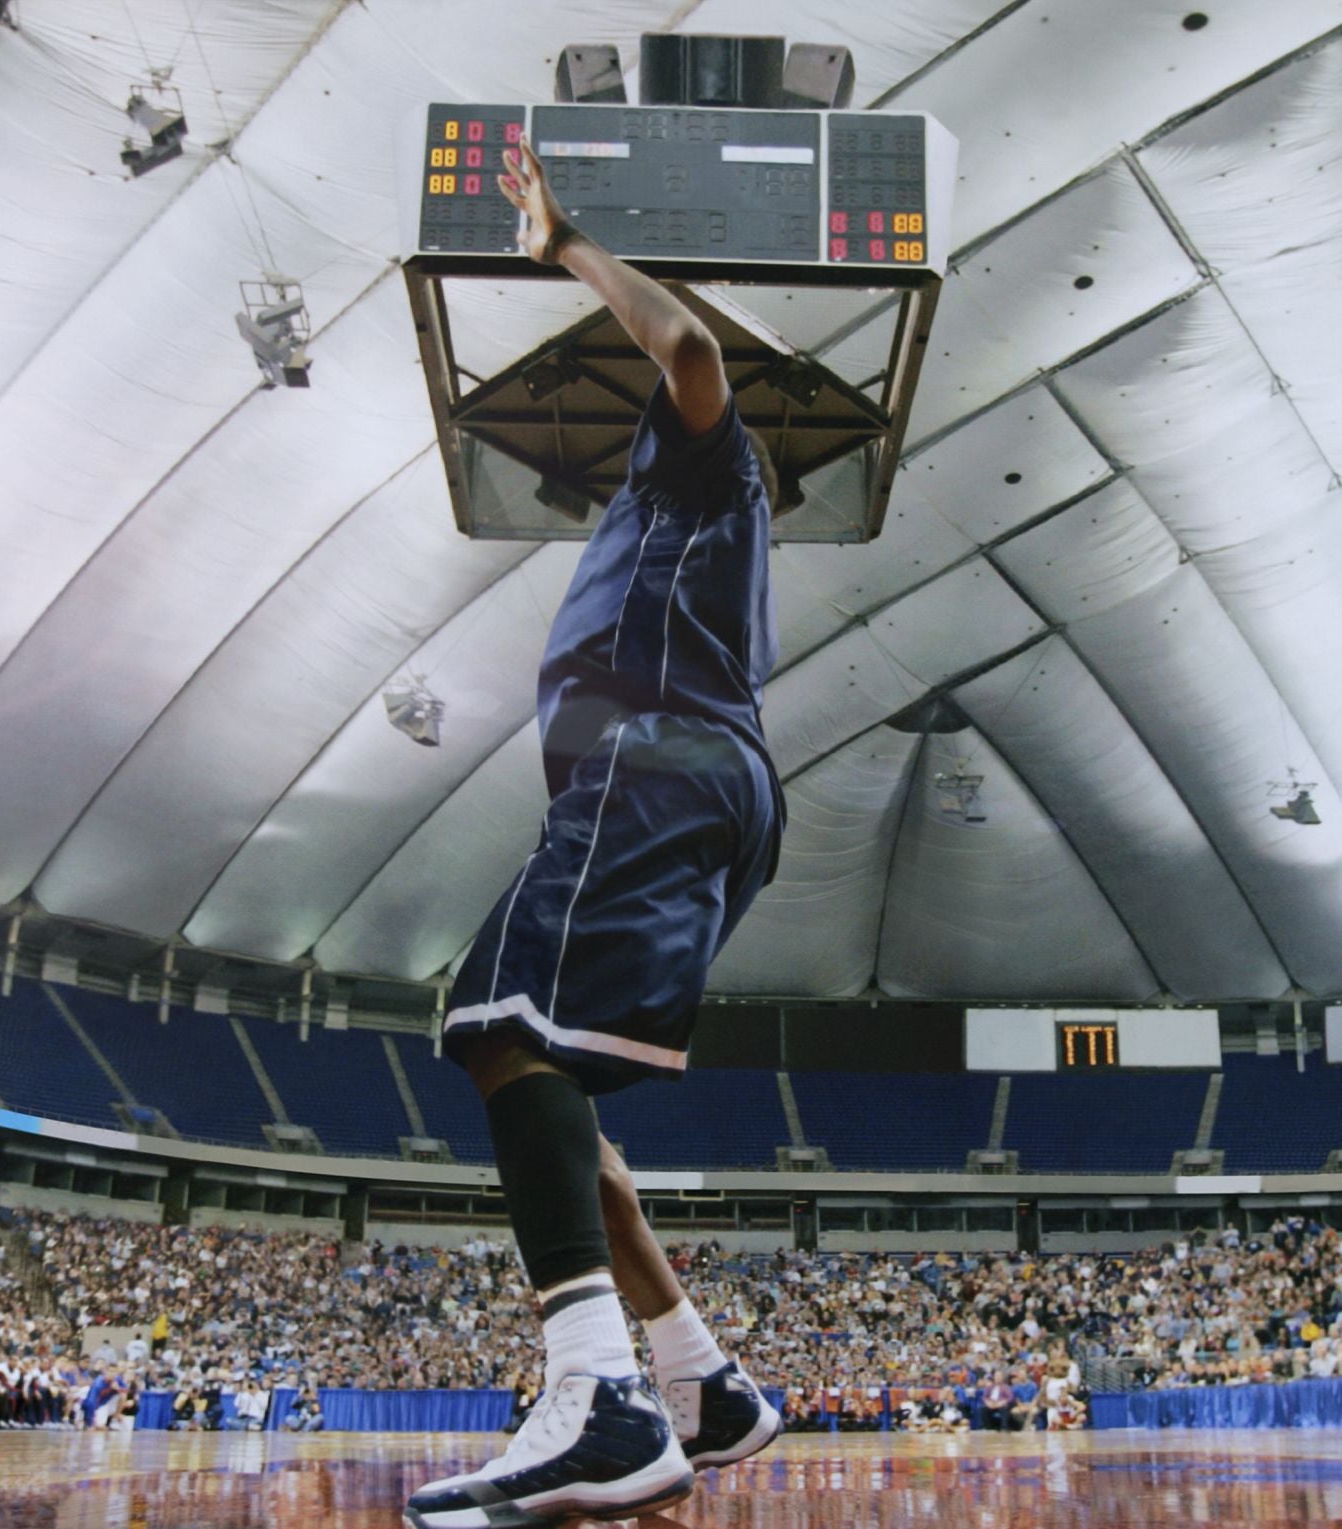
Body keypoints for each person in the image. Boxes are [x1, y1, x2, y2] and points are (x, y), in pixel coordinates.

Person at [405, 135, 786, 1529]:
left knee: (495, 1021)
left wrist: (564, 243)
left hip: (668, 760)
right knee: (556, 1085)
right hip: (696, 777)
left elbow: (687, 351)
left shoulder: (698, 475)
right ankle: (701, 1380)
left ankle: (602, 1397)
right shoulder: (685, 532)